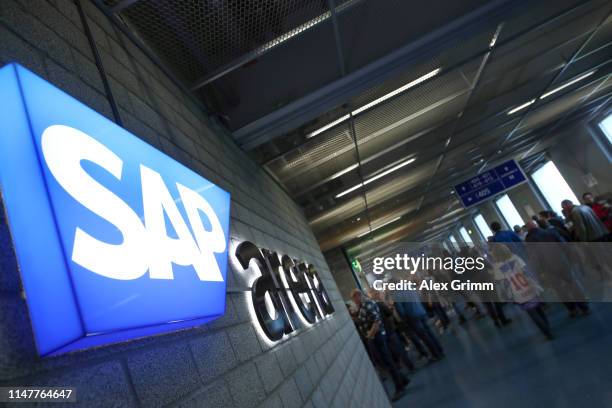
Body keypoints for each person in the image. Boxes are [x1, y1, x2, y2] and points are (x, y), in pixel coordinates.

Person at [351, 289, 409, 401]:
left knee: (386, 362)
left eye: (354, 299)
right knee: (386, 361)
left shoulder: (367, 304)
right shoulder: (364, 306)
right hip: (376, 336)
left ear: (358, 296)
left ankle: (399, 387)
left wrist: (370, 335)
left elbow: (377, 320)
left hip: (376, 337)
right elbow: (366, 319)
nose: (354, 301)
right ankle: (402, 379)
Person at [524, 220, 589, 317]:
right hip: (562, 262)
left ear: (528, 228)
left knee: (560, 289)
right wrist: (570, 258)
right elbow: (564, 246)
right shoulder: (551, 232)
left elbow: (534, 258)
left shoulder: (529, 240)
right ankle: (584, 307)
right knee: (573, 283)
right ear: (537, 225)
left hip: (548, 268)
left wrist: (539, 271)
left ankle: (572, 309)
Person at [489, 243, 554, 340]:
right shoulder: (515, 258)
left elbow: (502, 283)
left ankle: (547, 333)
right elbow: (526, 271)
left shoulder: (497, 266)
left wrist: (507, 296)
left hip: (517, 292)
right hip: (529, 286)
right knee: (539, 309)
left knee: (532, 313)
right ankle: (547, 327)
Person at [392, 285, 445, 361]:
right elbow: (419, 298)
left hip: (412, 317)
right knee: (430, 332)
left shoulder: (396, 295)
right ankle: (440, 350)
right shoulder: (410, 288)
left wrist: (405, 319)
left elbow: (400, 310)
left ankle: (435, 354)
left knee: (424, 336)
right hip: (421, 312)